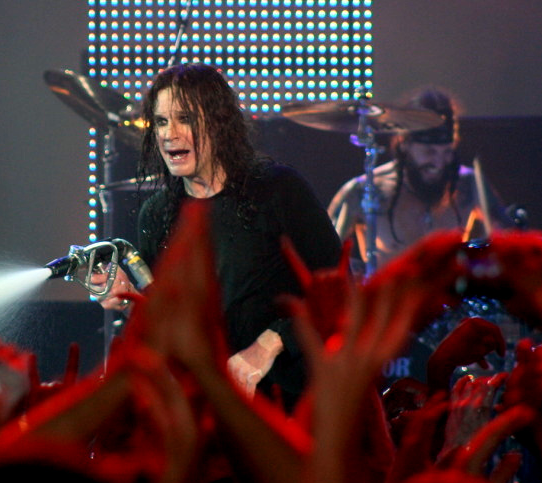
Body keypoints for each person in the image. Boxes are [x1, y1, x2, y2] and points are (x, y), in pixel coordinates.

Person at [97, 63, 342, 405]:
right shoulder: (156, 214)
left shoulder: (277, 190)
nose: (169, 134)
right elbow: (169, 329)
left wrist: (268, 344)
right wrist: (129, 302)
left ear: (217, 122)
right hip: (209, 407)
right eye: (162, 122)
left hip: (289, 400)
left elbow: (337, 288)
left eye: (185, 119)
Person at [328, 87, 511, 274]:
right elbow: (326, 255)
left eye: (447, 152)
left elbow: (510, 242)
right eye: (429, 152)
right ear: (405, 144)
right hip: (392, 298)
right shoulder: (363, 190)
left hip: (447, 296)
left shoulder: (469, 184)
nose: (439, 163)